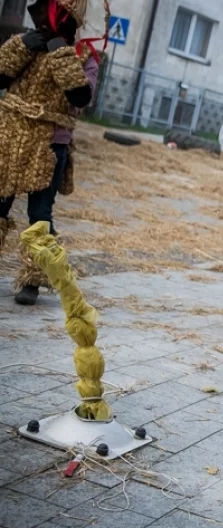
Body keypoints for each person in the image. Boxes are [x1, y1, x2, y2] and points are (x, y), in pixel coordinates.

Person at [0, 0, 100, 305]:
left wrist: (60, 54)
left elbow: (80, 97)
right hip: (10, 137)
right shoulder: (25, 43)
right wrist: (23, 47)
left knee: (40, 214)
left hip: (50, 144)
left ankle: (33, 279)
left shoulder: (84, 57)